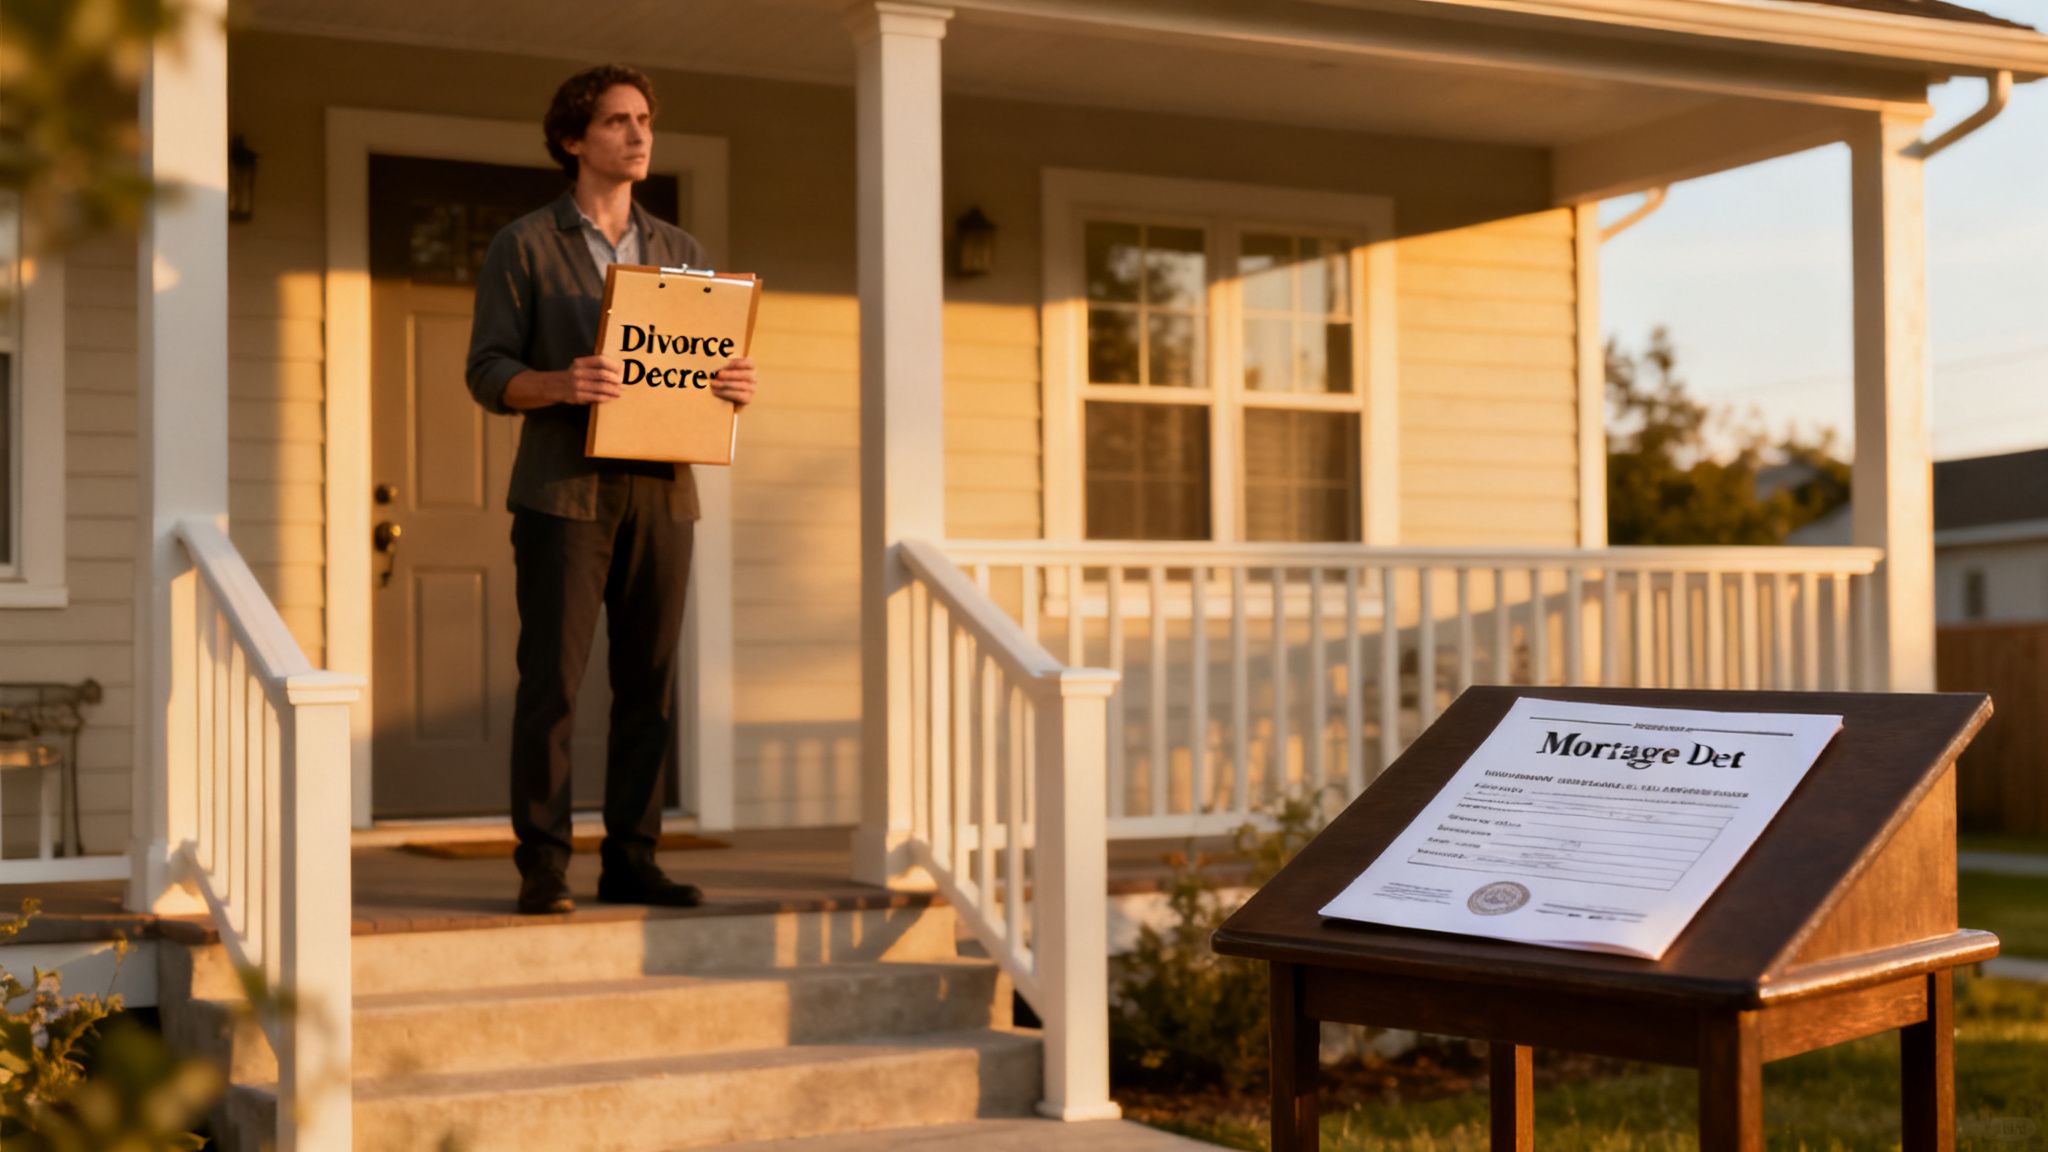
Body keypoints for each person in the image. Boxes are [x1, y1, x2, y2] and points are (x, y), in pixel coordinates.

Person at [465, 64, 755, 915]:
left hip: (665, 493)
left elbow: (698, 367)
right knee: (552, 685)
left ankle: (633, 858)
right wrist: (559, 384)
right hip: (564, 496)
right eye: (618, 122)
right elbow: (487, 372)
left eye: (644, 121)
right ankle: (544, 867)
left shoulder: (683, 255)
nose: (638, 136)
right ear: (573, 140)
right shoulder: (523, 245)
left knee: (649, 683)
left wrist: (728, 385)